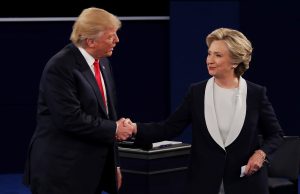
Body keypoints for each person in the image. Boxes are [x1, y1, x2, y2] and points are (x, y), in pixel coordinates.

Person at [128, 28, 284, 194]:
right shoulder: (197, 92)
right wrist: (134, 128)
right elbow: (169, 127)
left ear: (235, 61)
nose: (210, 60)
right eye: (209, 54)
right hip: (204, 183)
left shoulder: (255, 94)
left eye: (218, 55)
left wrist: (261, 154)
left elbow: (276, 134)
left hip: (246, 184)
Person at [23, 7, 135, 194]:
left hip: (92, 170)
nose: (117, 40)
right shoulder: (60, 66)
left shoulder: (103, 63)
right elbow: (70, 119)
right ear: (90, 41)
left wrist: (114, 164)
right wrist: (115, 128)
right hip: (61, 172)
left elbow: (107, 113)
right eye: (110, 36)